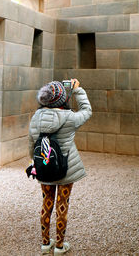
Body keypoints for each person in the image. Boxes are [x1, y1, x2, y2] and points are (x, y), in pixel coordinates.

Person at [28, 79, 92, 255]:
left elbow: (31, 146)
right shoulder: (70, 117)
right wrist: (78, 90)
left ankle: (45, 243)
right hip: (66, 170)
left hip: (44, 167)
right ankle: (59, 246)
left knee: (46, 203)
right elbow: (87, 111)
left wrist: (36, 164)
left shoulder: (35, 118)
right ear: (62, 99)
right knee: (62, 205)